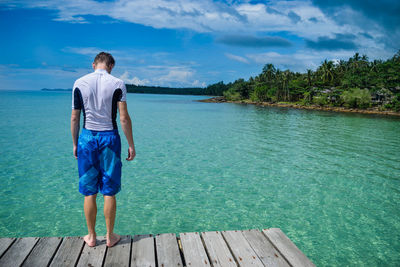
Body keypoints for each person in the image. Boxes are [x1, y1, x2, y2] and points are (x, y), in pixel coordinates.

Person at [70, 52, 136, 248]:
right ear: (111, 65)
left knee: (89, 191)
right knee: (109, 190)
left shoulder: (79, 83)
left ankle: (91, 237)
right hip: (110, 138)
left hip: (87, 138)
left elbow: (75, 117)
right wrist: (131, 144)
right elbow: (123, 118)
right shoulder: (118, 83)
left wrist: (75, 143)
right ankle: (109, 236)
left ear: (93, 65)